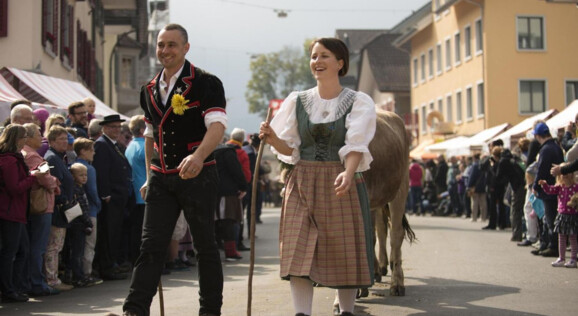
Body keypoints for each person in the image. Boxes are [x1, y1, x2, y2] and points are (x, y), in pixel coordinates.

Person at [259, 37, 376, 316]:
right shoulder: (297, 100)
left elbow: (356, 145)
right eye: (314, 56)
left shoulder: (358, 101)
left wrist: (348, 174)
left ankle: (346, 311)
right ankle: (302, 313)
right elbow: (291, 150)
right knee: (298, 247)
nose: (317, 61)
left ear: (340, 63)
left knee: (342, 247)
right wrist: (274, 139)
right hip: (301, 182)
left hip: (339, 181)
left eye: (324, 56)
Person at [117, 23, 227, 316]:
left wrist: (199, 156)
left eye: (172, 45)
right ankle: (134, 310)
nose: (165, 51)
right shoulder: (149, 88)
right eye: (161, 45)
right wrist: (151, 173)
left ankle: (210, 311)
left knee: (205, 246)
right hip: (162, 179)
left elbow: (216, 127)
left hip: (198, 176)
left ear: (185, 48)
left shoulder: (206, 82)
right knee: (150, 246)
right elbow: (150, 132)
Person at [0, 124, 46, 303]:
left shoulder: (12, 158)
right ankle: (9, 289)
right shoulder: (10, 161)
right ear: (17, 139)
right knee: (11, 252)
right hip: (10, 211)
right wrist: (33, 176)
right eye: (23, 137)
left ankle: (14, 287)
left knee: (19, 251)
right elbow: (15, 188)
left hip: (14, 211)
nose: (26, 140)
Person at [21, 123, 61, 297]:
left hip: (31, 206)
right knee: (38, 246)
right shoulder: (34, 157)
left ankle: (31, 282)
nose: (41, 137)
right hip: (42, 206)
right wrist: (55, 183)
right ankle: (37, 283)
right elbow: (46, 179)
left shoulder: (25, 153)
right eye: (38, 134)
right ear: (28, 137)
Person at [92, 114, 133, 281]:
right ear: (104, 128)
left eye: (118, 127)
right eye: (113, 127)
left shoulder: (114, 145)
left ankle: (112, 264)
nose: (116, 130)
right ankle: (107, 267)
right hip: (111, 197)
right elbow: (102, 171)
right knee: (108, 233)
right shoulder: (102, 145)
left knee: (115, 232)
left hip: (119, 196)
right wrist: (106, 194)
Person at [43, 125, 75, 292]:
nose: (65, 142)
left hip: (62, 209)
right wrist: (63, 200)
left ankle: (53, 277)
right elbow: (54, 183)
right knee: (53, 246)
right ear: (52, 141)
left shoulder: (60, 157)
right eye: (61, 139)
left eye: (66, 138)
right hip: (57, 209)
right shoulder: (52, 158)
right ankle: (52, 280)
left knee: (57, 246)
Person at [73, 138, 103, 286]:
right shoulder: (89, 169)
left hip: (76, 212)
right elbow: (92, 191)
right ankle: (86, 273)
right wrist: (98, 205)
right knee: (89, 244)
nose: (94, 153)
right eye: (91, 149)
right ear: (83, 151)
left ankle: (78, 273)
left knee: (77, 245)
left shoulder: (73, 166)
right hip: (89, 210)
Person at [532, 122, 564, 257]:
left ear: (538, 136)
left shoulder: (545, 149)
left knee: (550, 218)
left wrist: (535, 185)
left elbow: (541, 170)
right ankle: (547, 244)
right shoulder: (556, 147)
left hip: (548, 188)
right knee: (550, 218)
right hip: (557, 186)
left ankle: (552, 246)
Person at [214, 139, 247, 261]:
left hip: (212, 191)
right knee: (228, 221)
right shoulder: (227, 152)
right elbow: (236, 170)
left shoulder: (207, 151)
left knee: (216, 223)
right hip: (227, 192)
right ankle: (230, 252)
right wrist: (243, 186)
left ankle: (216, 252)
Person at [539, 165, 578, 268]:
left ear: (572, 174)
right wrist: (545, 185)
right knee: (561, 237)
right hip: (561, 215)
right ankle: (561, 258)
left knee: (573, 238)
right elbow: (550, 190)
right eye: (562, 174)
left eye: (567, 173)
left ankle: (573, 259)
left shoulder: (576, 187)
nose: (565, 176)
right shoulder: (560, 187)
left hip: (573, 216)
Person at [65, 163, 94, 287]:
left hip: (79, 224)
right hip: (77, 224)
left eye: (85, 175)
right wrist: (88, 222)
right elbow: (81, 208)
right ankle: (78, 277)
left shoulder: (80, 188)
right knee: (76, 252)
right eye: (80, 175)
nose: (84, 177)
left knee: (77, 251)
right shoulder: (75, 190)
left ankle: (76, 275)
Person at [124, 115, 147, 265]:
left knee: (136, 231)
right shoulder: (145, 146)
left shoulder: (130, 145)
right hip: (144, 194)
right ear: (141, 130)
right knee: (144, 233)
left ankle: (136, 260)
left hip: (135, 194)